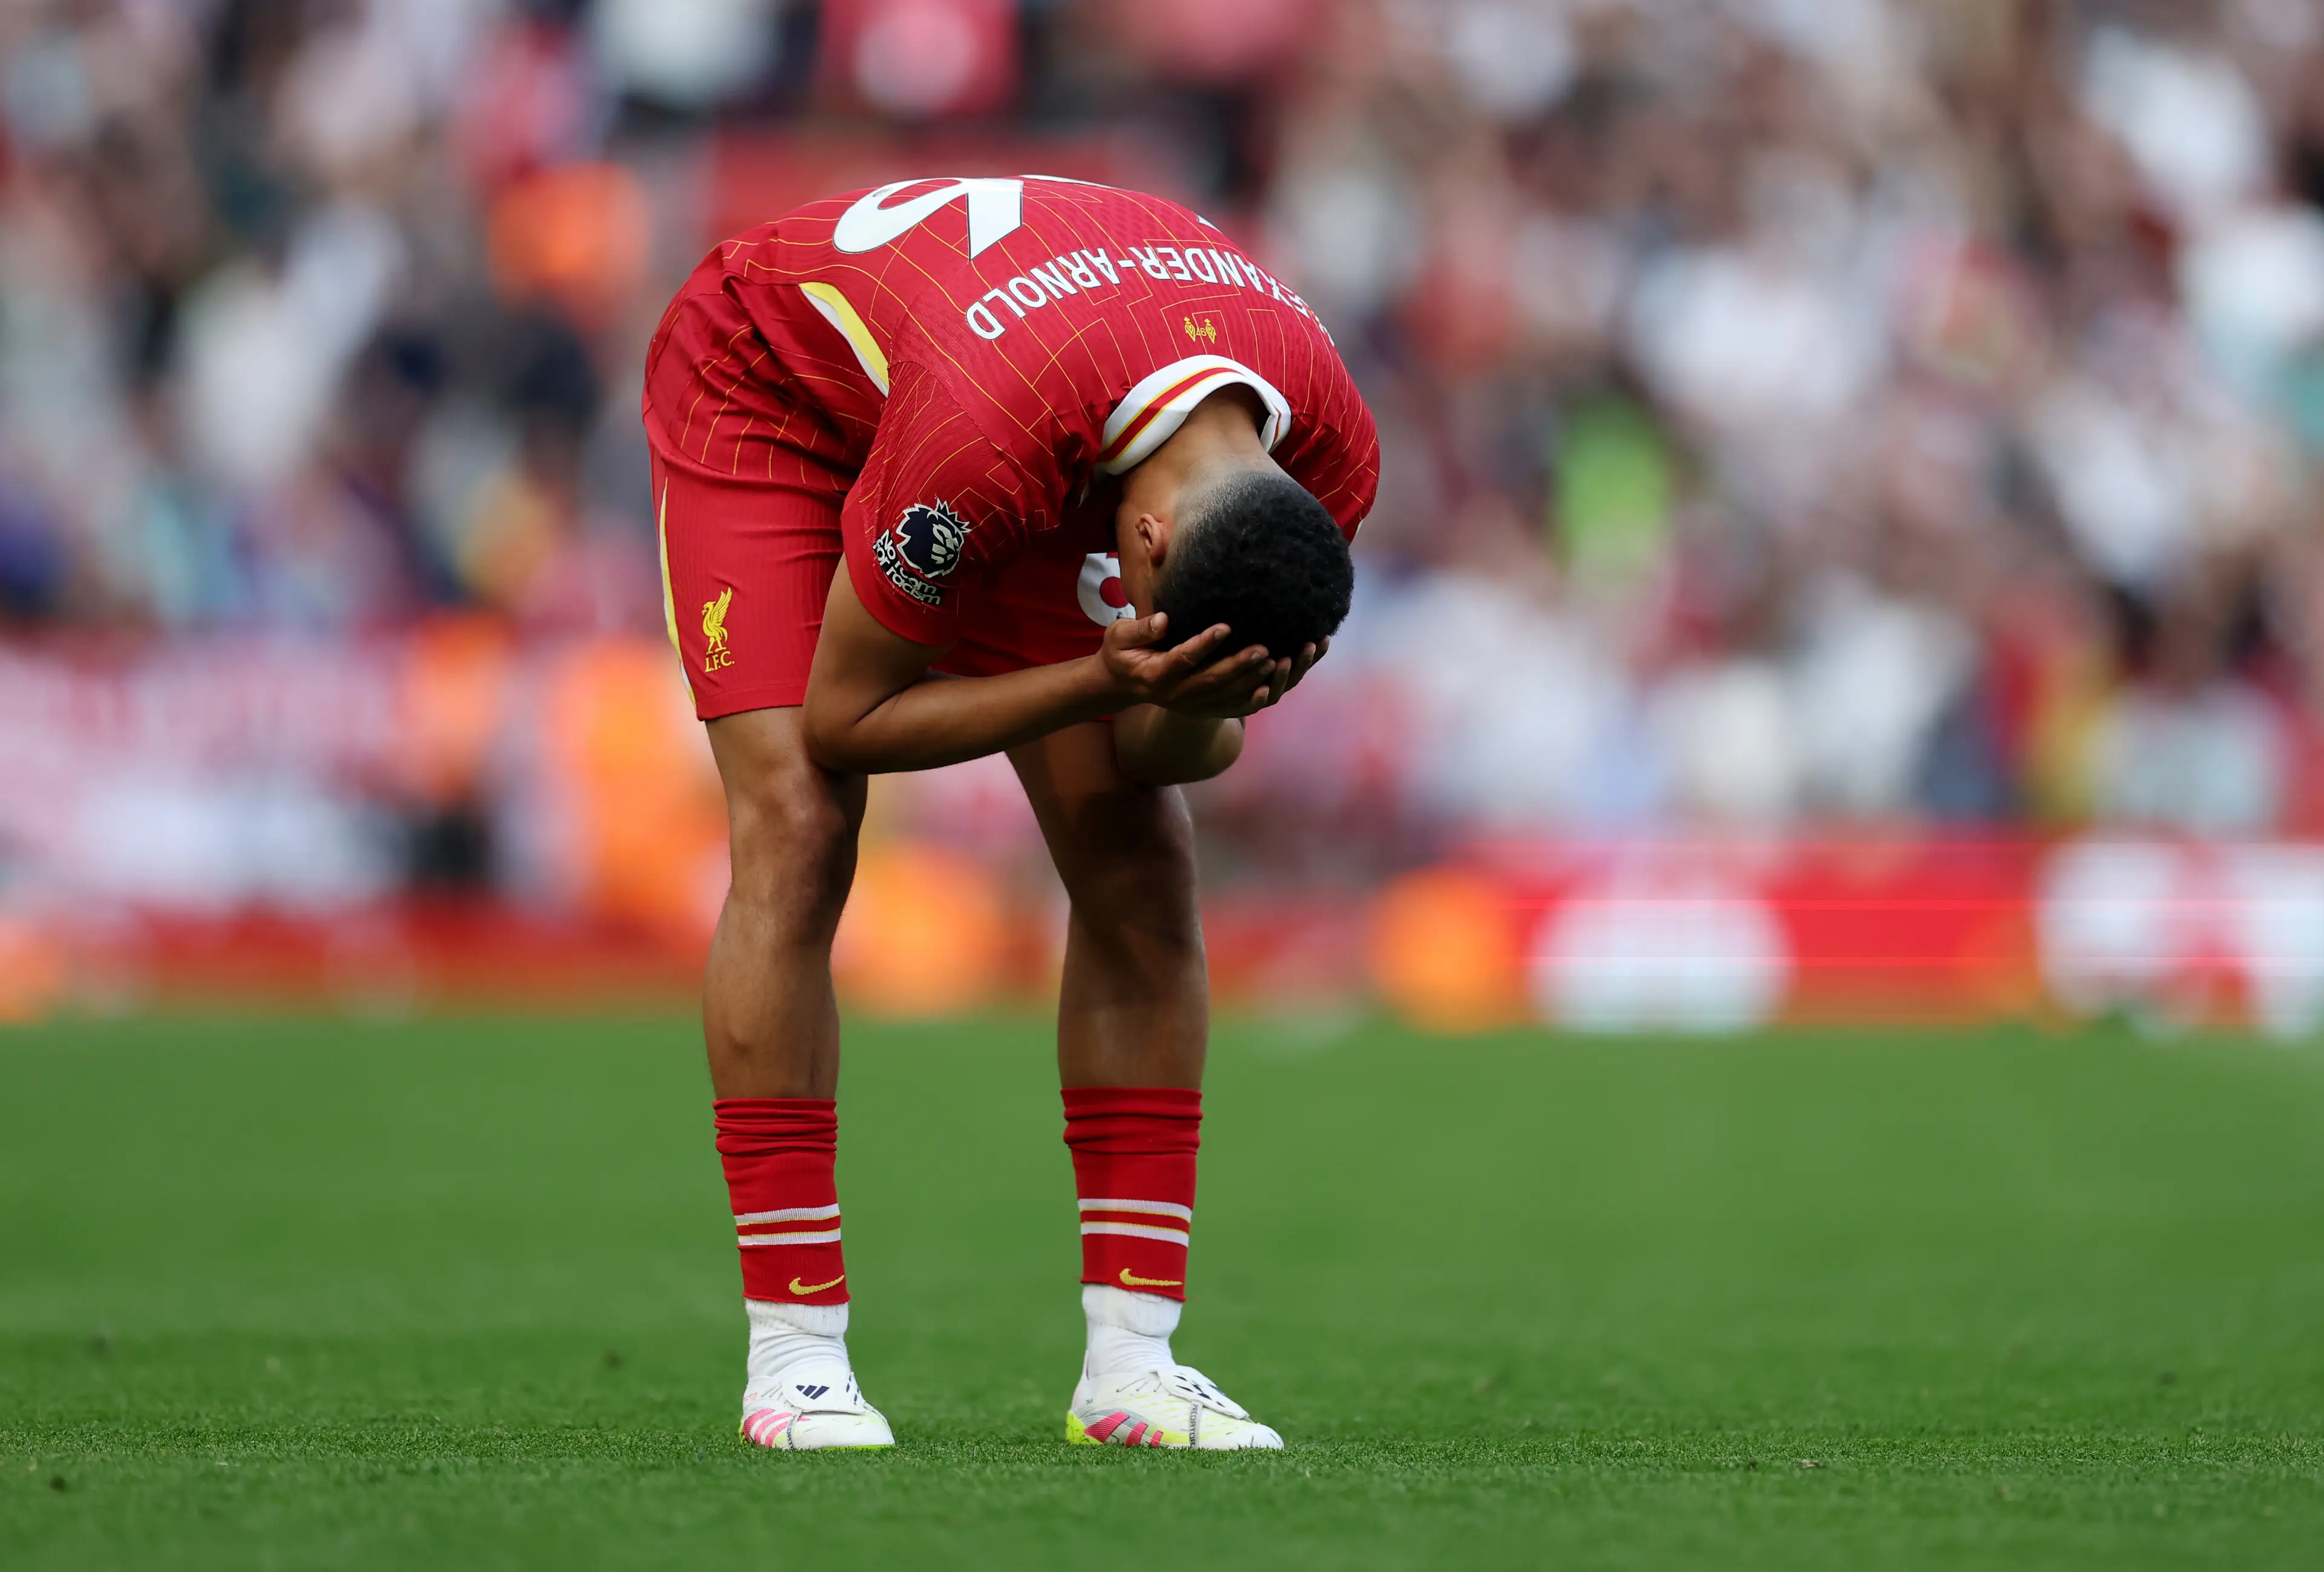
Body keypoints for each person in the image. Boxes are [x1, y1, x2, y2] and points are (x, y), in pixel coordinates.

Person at [642, 175, 1379, 1450]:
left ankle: (1134, 1370)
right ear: (1145, 543)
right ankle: (795, 1355)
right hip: (782, 391)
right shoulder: (980, 450)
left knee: (1140, 859)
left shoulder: (1332, 457)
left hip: (1046, 407)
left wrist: (1202, 698)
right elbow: (845, 719)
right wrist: (1102, 674)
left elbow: (1164, 756)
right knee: (804, 828)